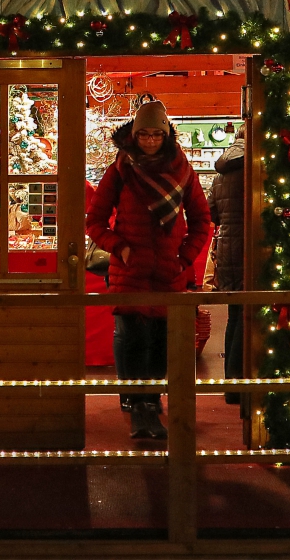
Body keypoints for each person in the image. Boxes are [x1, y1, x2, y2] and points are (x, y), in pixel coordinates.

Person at [85, 100, 213, 441]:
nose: (151, 140)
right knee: (131, 337)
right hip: (129, 270)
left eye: (158, 134)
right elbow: (94, 220)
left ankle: (151, 402)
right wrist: (121, 247)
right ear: (134, 134)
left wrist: (184, 258)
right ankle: (136, 404)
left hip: (168, 271)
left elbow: (202, 220)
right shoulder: (121, 169)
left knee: (160, 342)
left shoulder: (182, 169)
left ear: (167, 134)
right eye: (144, 134)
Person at [206, 139, 246, 408]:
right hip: (247, 244)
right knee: (247, 313)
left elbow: (211, 211)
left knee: (235, 312)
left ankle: (230, 382)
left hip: (228, 245)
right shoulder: (254, 168)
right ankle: (239, 384)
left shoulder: (221, 173)